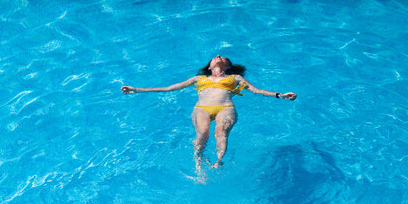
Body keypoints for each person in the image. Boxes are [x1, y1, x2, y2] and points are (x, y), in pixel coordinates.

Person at [121, 55, 296, 172]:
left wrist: (281, 95)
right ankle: (198, 162)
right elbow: (168, 88)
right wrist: (136, 89)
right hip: (201, 108)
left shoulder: (235, 78)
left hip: (225, 107)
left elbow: (257, 91)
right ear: (209, 66)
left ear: (227, 66)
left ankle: (218, 161)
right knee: (203, 134)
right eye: (215, 57)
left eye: (222, 57)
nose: (218, 56)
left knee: (221, 132)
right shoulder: (199, 79)